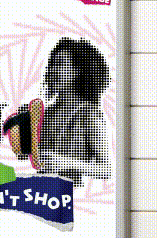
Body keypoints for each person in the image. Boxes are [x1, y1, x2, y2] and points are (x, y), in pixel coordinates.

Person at [35, 37, 112, 184]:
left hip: (72, 195)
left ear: (79, 71)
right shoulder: (46, 113)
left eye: (61, 64)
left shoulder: (89, 114)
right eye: (52, 65)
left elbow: (106, 168)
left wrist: (66, 163)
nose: (53, 71)